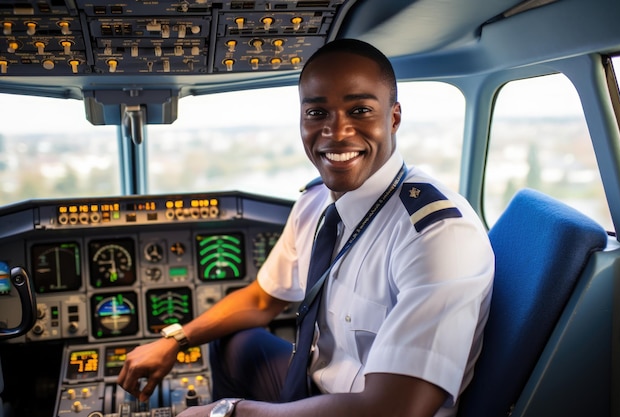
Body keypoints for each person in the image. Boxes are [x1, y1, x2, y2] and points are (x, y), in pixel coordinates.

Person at [117, 38, 494, 417]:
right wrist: (176, 338)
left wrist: (230, 412)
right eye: (317, 113)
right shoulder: (316, 203)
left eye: (360, 109)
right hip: (315, 383)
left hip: (370, 408)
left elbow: (395, 409)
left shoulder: (437, 236)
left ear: (393, 117)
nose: (337, 132)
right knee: (229, 338)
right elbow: (262, 300)